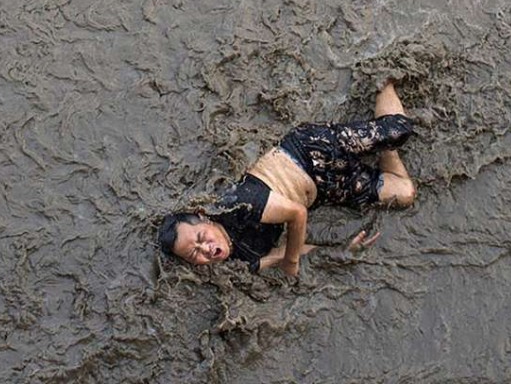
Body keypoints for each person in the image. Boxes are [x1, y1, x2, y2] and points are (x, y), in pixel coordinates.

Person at [157, 81, 417, 277]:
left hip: (311, 153)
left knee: (399, 129)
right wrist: (338, 252)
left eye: (201, 238)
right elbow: (285, 253)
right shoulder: (243, 262)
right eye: (195, 254)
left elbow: (296, 214)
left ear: (205, 217)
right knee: (404, 194)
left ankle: (381, 80)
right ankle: (381, 147)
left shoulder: (238, 204)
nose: (205, 249)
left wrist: (292, 266)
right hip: (323, 191)